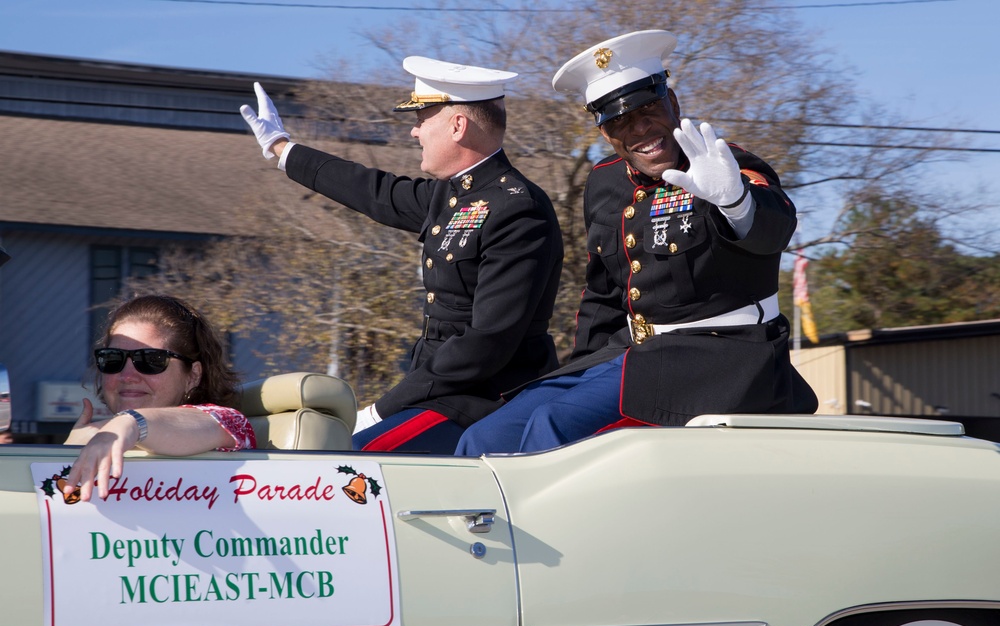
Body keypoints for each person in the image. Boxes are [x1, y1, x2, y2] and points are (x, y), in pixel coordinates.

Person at [457, 30, 818, 456]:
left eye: (648, 109)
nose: (639, 129)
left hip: (722, 355)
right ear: (605, 131)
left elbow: (773, 229)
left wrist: (736, 202)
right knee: (485, 437)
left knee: (553, 427)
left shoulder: (721, 163)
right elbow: (603, 294)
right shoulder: (605, 181)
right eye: (618, 120)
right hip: (633, 353)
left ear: (674, 103)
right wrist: (582, 370)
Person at [240, 57, 563, 454]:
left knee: (350, 463)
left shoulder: (516, 207)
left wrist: (383, 409)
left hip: (483, 398)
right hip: (436, 388)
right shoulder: (453, 193)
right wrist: (283, 149)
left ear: (457, 126)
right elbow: (375, 191)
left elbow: (488, 341)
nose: (414, 132)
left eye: (423, 119)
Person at [63, 294, 255, 502]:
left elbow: (219, 422)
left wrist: (129, 423)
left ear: (193, 375)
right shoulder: (98, 436)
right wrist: (67, 450)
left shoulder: (227, 425)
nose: (127, 376)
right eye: (113, 359)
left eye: (151, 360)